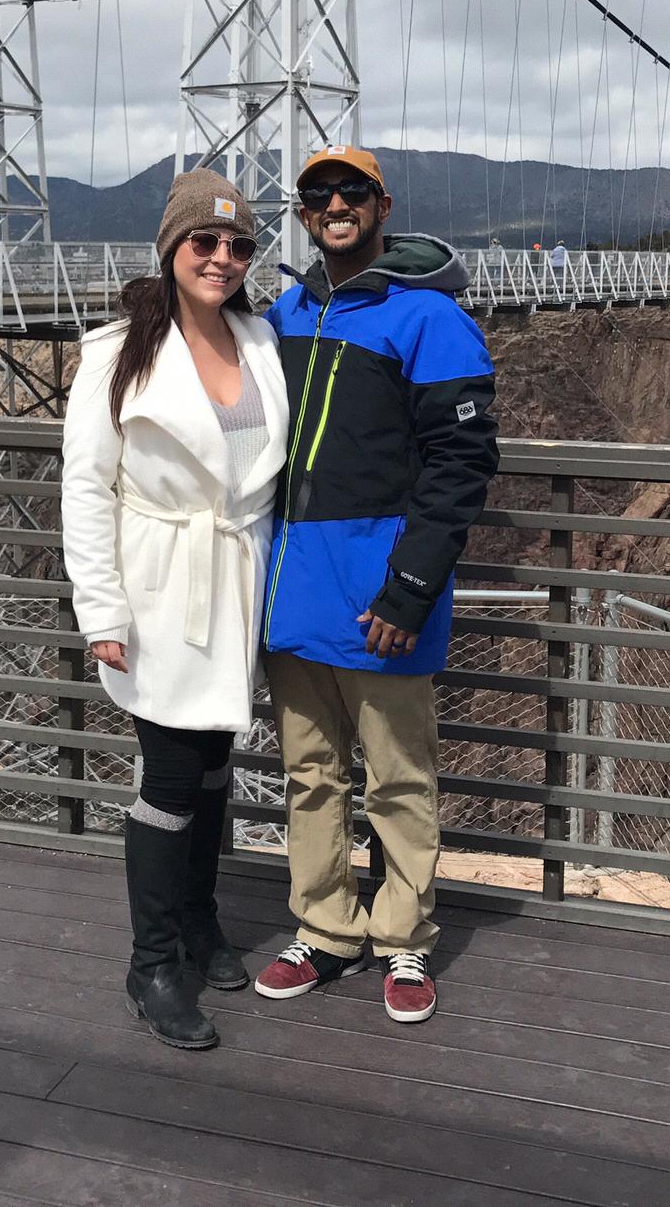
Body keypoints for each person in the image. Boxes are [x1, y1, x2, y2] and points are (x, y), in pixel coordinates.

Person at [251, 144, 499, 1024]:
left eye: (351, 191)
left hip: (382, 597)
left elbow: (461, 464)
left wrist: (410, 590)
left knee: (397, 779)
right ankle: (324, 930)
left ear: (381, 207)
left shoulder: (428, 318)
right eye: (317, 195)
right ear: (306, 216)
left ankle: (403, 940)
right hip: (293, 593)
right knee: (309, 775)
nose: (334, 204)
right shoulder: (286, 312)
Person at [61, 168, 289, 1050]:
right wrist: (102, 612)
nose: (223, 258)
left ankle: (199, 922)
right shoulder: (116, 352)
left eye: (240, 245)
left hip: (239, 581)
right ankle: (151, 960)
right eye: (205, 241)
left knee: (211, 765)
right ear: (171, 247)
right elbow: (86, 488)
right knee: (167, 776)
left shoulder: (261, 340)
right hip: (160, 588)